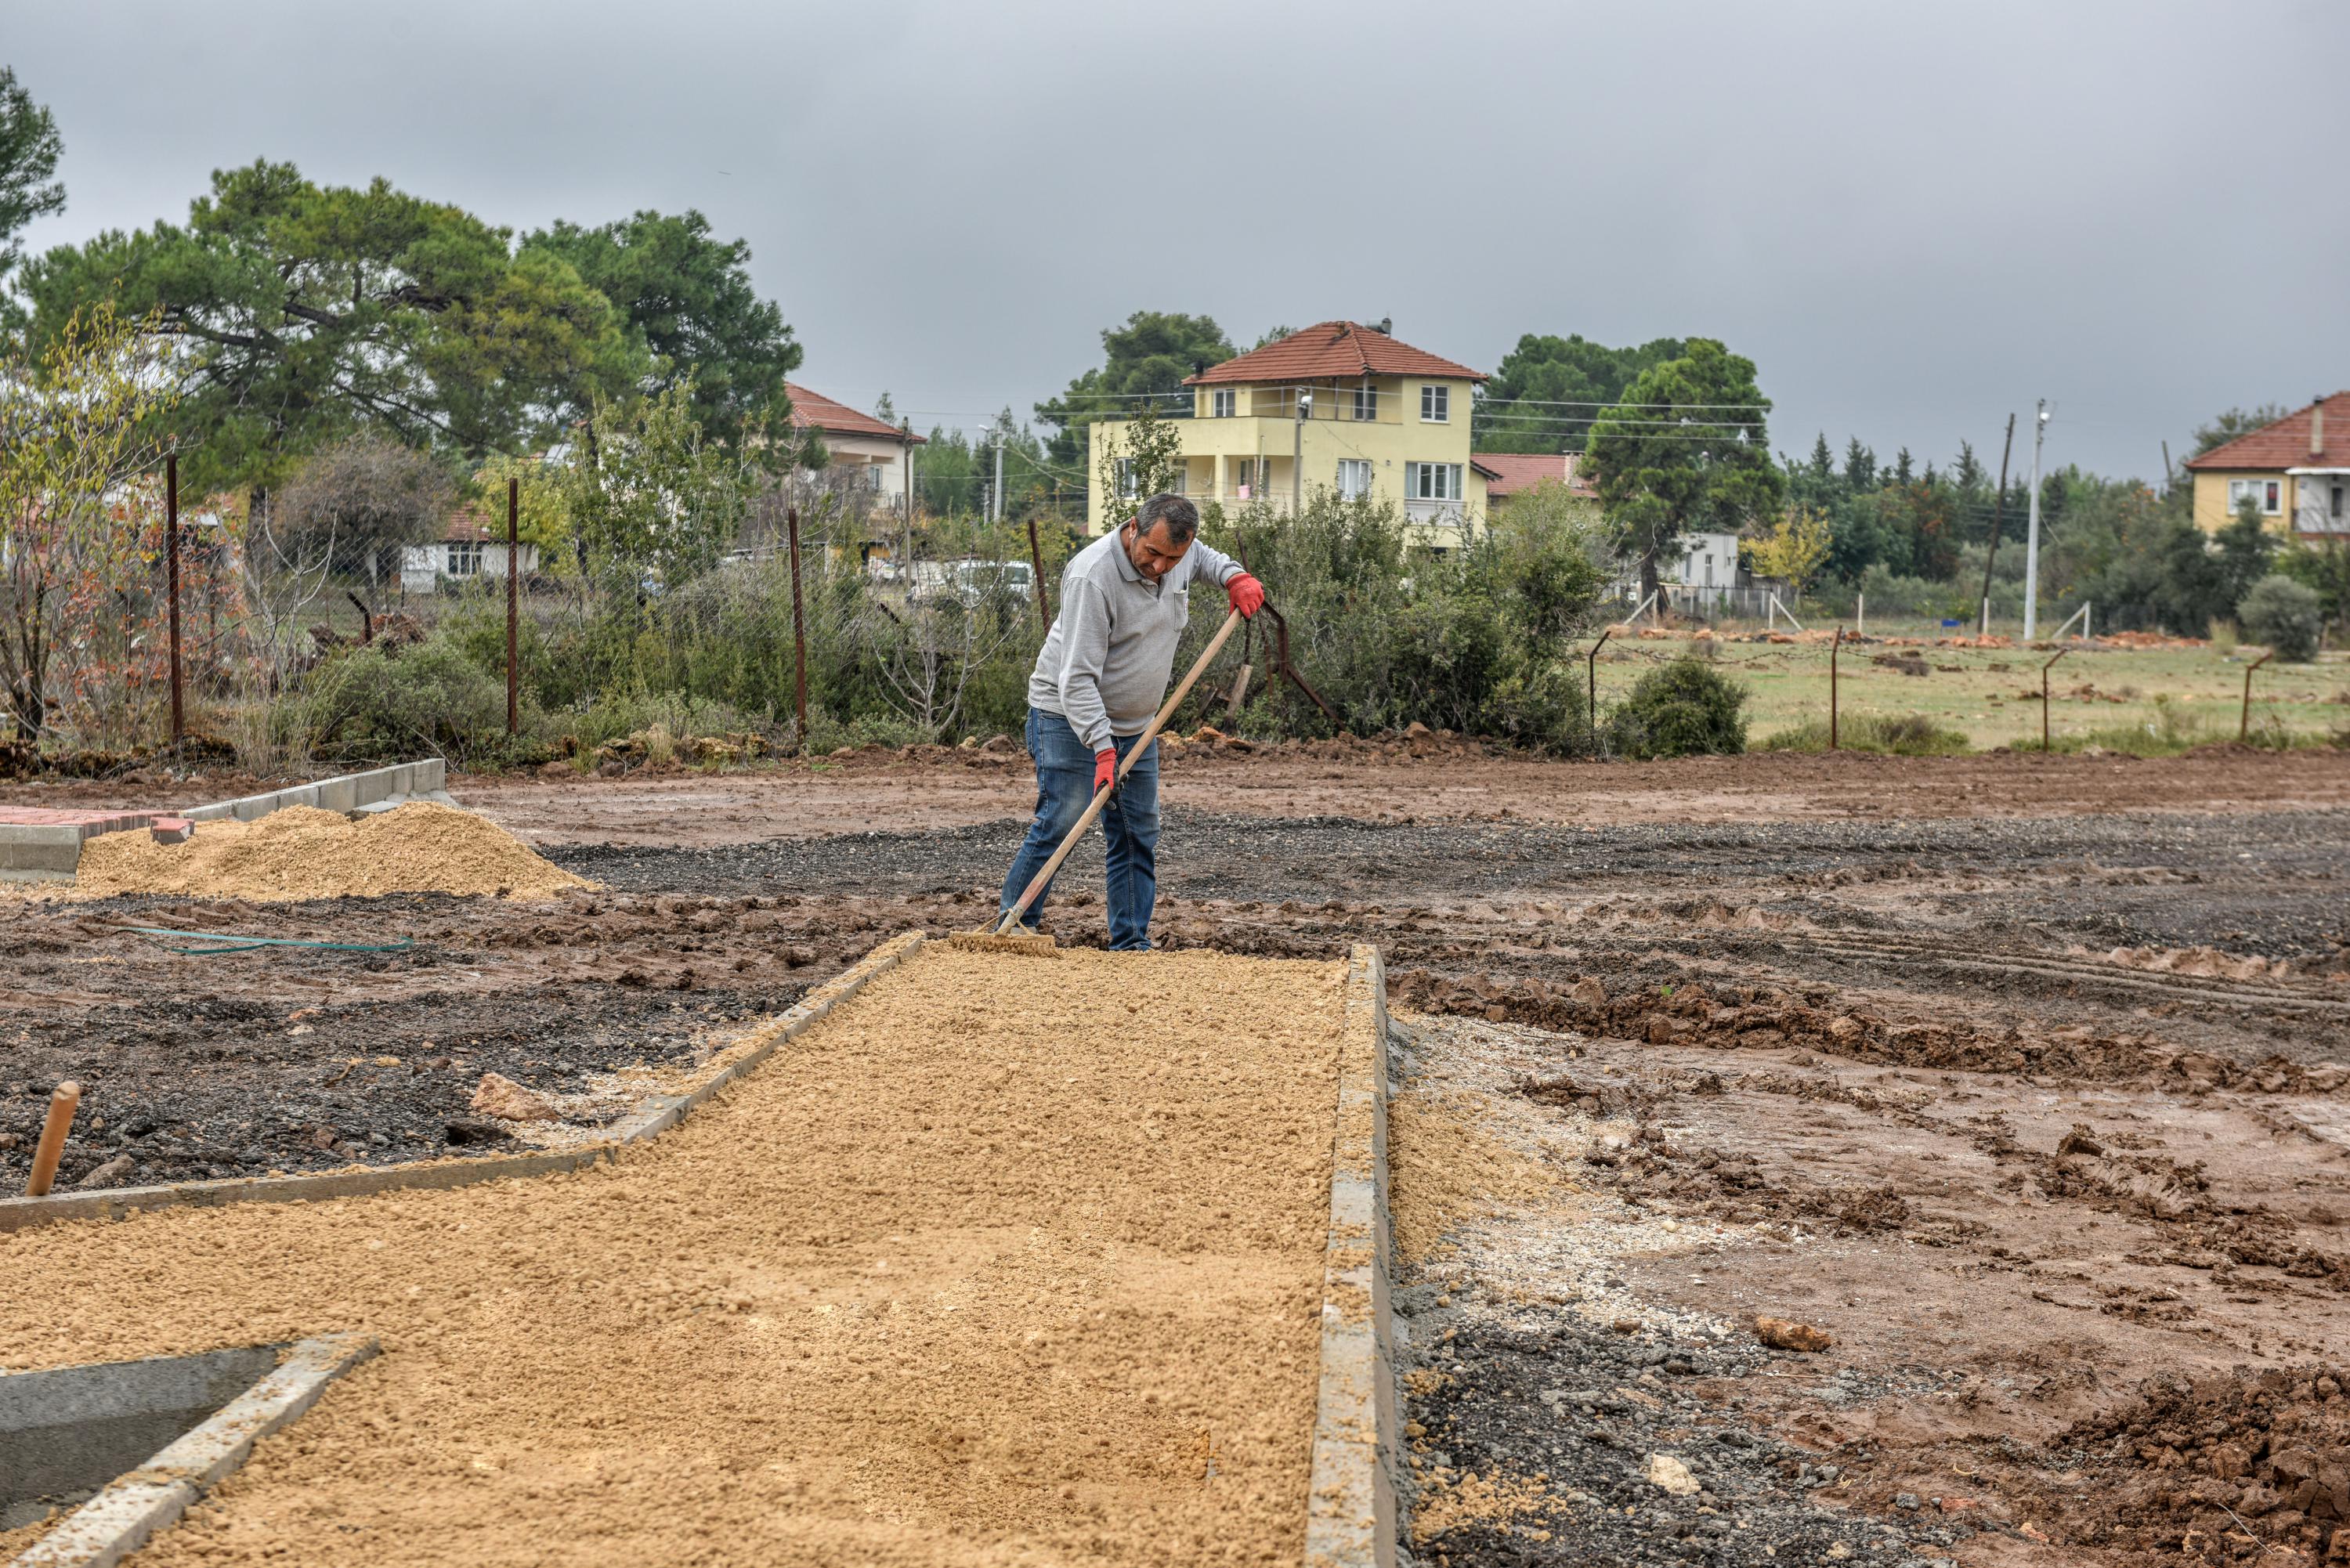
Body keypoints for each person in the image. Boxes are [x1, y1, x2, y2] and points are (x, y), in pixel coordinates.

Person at [997, 493, 1263, 950]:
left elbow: (1205, 559)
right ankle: (1013, 929)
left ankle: (1131, 944)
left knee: (1137, 832)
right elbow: (1076, 679)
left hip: (1137, 726)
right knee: (1061, 819)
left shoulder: (1180, 554)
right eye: (1153, 553)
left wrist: (1235, 577)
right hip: (1066, 717)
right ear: (1134, 528)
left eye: (1172, 558)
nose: (1161, 566)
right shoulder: (1092, 576)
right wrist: (1102, 749)